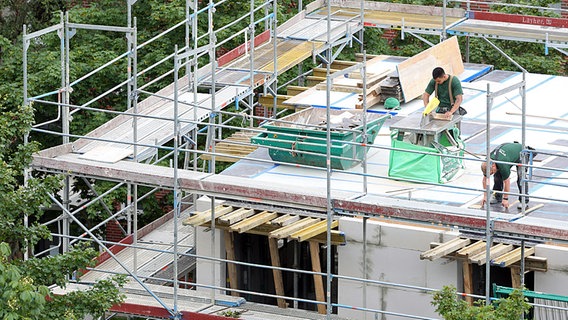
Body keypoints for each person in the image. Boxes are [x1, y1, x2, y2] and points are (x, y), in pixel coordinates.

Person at [480, 142, 535, 210]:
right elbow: (485, 180)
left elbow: (507, 182)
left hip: (521, 153)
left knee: (521, 176)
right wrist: (485, 195)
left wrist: (505, 199)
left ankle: (524, 200)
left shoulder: (503, 165)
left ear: (493, 165)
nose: (491, 174)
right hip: (508, 154)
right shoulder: (487, 163)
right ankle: (497, 196)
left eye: (491, 172)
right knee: (497, 176)